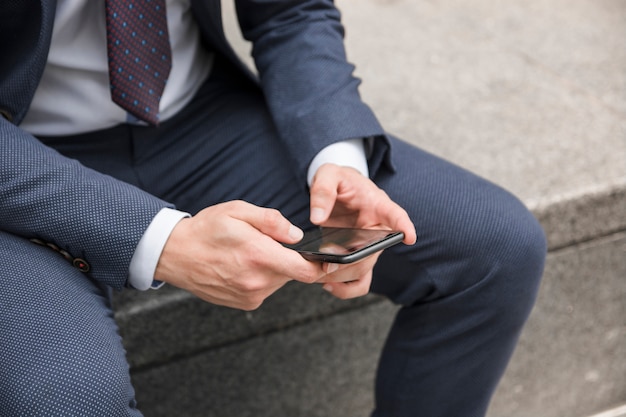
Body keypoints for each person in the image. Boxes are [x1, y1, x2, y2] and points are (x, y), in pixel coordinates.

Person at [0, 1, 547, 416]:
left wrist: (338, 161)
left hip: (202, 115)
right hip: (19, 149)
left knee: (496, 249)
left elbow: (290, 11)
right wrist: (158, 238)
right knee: (67, 396)